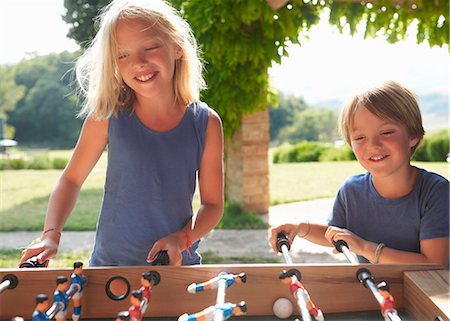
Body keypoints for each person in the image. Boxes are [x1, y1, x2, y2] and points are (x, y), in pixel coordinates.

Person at [19, 0, 223, 266]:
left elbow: (212, 206)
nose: (137, 63)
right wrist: (50, 235)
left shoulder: (206, 122)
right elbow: (71, 180)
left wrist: (181, 238)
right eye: (122, 55)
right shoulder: (107, 116)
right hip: (110, 270)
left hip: (177, 271)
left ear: (177, 47)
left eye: (150, 47)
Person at [269, 81, 449, 267]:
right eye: (360, 137)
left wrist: (364, 247)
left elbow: (433, 263)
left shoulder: (437, 192)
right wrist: (300, 228)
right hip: (376, 291)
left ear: (413, 135)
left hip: (428, 293)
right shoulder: (351, 190)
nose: (373, 145)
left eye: (386, 132)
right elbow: (335, 234)